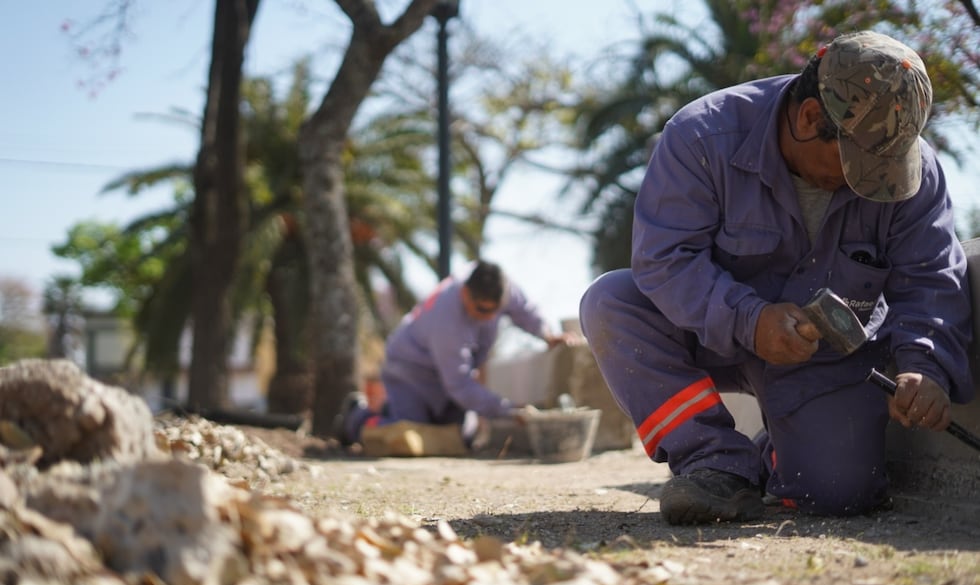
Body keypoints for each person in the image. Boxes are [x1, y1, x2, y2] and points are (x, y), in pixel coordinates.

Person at [578, 31, 973, 525]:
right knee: (611, 303)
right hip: (709, 336)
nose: (870, 181)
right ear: (809, 118)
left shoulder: (913, 175)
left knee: (838, 494)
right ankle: (713, 463)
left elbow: (931, 276)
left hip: (823, 360)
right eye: (858, 164)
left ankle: (778, 455)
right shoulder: (702, 137)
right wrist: (750, 319)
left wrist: (925, 366)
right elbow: (665, 259)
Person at [343, 259, 577, 446]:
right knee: (410, 435)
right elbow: (459, 385)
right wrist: (507, 409)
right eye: (482, 309)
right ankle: (356, 419)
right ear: (465, 294)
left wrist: (547, 335)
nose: (489, 317)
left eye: (496, 311)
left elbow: (525, 310)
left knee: (463, 436)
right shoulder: (447, 320)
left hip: (445, 376)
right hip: (410, 372)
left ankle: (392, 409)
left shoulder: (499, 287)